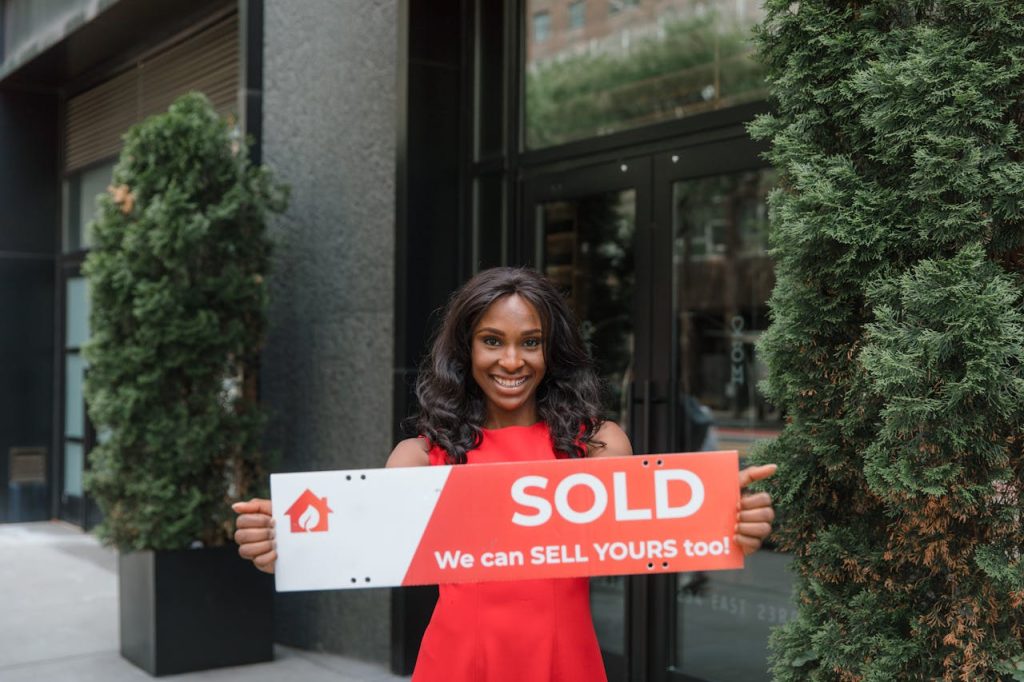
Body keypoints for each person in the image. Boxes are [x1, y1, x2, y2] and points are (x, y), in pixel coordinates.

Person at [233, 266, 776, 682]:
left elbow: (647, 534)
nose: (511, 361)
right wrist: (287, 543)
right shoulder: (419, 458)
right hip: (458, 662)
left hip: (565, 662)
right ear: (466, 350)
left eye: (530, 342)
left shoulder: (598, 446)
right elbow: (358, 542)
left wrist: (725, 523)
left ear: (551, 350)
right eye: (492, 340)